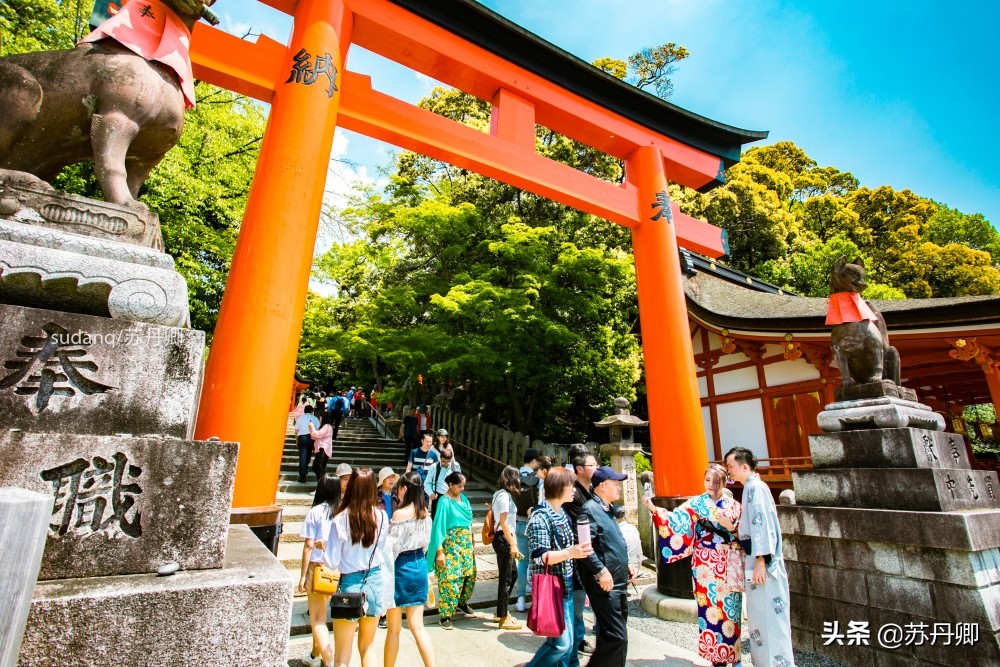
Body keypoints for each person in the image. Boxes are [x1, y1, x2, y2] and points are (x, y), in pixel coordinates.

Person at [645, 463, 745, 667]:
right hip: (705, 564)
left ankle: (733, 656)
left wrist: (732, 528)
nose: (711, 484)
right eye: (708, 480)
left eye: (716, 481)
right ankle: (716, 656)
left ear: (725, 482)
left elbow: (743, 533)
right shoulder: (697, 503)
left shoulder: (734, 505)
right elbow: (675, 520)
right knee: (709, 608)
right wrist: (655, 510)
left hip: (728, 562)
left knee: (731, 610)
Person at [726, 447, 795, 667]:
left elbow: (763, 527)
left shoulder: (755, 488)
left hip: (763, 564)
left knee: (770, 621)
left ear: (744, 467)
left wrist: (761, 560)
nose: (729, 472)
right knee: (760, 619)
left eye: (731, 466)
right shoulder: (750, 488)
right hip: (755, 559)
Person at [524, 468, 594, 667]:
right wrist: (570, 553)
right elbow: (540, 556)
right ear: (559, 487)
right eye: (570, 485)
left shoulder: (561, 512)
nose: (574, 489)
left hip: (567, 584)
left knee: (569, 644)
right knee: (560, 644)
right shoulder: (541, 516)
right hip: (553, 586)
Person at [323, 467, 389, 667]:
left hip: (350, 582)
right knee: (368, 647)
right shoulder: (382, 517)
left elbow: (331, 561)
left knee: (343, 654)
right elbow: (382, 548)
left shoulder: (340, 518)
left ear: (351, 487)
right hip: (375, 580)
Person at [577, 466, 633, 667]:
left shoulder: (607, 509)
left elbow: (611, 541)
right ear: (602, 486)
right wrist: (600, 570)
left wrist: (627, 564)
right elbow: (585, 547)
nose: (619, 487)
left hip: (618, 581)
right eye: (615, 483)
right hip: (604, 584)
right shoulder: (589, 510)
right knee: (616, 637)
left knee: (616, 636)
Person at [381, 471, 436, 667]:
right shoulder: (425, 513)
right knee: (418, 627)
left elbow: (392, 549)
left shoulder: (399, 514)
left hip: (400, 567)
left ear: (404, 489)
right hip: (419, 564)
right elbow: (426, 544)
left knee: (394, 628)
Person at [297, 475, 340, 667]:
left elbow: (308, 546)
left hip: (317, 567)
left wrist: (302, 576)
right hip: (334, 569)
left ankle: (329, 659)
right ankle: (315, 654)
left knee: (317, 618)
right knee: (322, 613)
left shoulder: (315, 512)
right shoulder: (341, 513)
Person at [426, 471, 476, 629]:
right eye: (459, 486)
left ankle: (461, 602)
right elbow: (438, 528)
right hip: (451, 546)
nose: (462, 488)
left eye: (463, 486)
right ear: (450, 485)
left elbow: (468, 521)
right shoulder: (444, 501)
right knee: (451, 580)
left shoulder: (464, 498)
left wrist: (471, 539)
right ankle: (445, 615)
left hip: (466, 545)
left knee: (469, 576)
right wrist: (440, 552)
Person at [563, 446, 599, 660]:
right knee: (576, 601)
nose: (597, 468)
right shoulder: (574, 494)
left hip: (589, 553)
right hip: (578, 555)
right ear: (579, 468)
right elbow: (584, 523)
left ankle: (577, 637)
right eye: (593, 465)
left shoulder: (592, 490)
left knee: (581, 599)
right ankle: (575, 639)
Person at [491, 466, 523, 630]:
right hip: (504, 538)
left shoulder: (501, 495)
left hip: (504, 537)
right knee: (506, 578)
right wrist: (513, 544)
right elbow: (503, 522)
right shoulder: (503, 496)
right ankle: (503, 616)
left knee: (512, 574)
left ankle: (500, 611)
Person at [514, 448, 543, 613]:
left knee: (523, 562)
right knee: (538, 561)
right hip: (534, 523)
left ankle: (520, 600)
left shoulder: (515, 476)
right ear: (534, 461)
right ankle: (536, 600)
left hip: (518, 522)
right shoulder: (537, 479)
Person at [423, 443, 461, 518]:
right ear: (440, 458)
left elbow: (459, 481)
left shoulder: (455, 466)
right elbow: (427, 483)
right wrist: (431, 493)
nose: (446, 464)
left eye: (448, 461)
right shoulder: (434, 467)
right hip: (438, 497)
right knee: (436, 519)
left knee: (451, 519)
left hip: (452, 496)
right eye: (444, 461)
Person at [294, 406, 320, 484]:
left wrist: (297, 440)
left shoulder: (300, 418)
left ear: (304, 411)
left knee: (302, 457)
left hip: (302, 438)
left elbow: (296, 431)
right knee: (308, 456)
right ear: (312, 411)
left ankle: (303, 476)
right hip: (311, 438)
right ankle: (305, 469)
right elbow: (317, 430)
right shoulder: (315, 418)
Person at [308, 414, 334, 481]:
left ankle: (322, 485)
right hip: (321, 450)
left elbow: (318, 434)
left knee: (319, 468)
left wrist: (312, 428)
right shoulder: (325, 426)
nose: (320, 420)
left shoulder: (327, 426)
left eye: (320, 418)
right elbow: (315, 436)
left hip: (323, 450)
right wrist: (311, 429)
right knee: (316, 467)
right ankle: (321, 484)